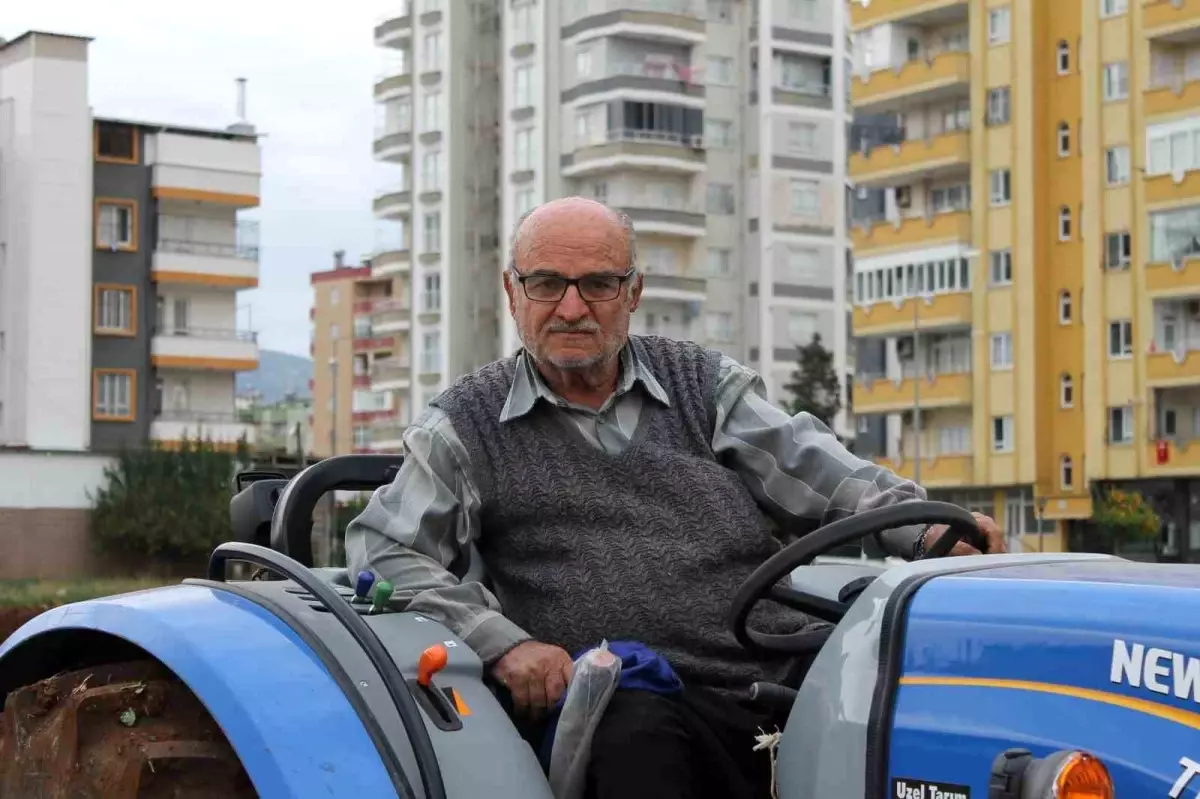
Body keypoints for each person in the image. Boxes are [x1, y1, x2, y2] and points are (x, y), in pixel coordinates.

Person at [345, 197, 1005, 799]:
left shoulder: (702, 385)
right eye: (546, 283)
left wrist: (924, 530)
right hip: (623, 705)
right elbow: (386, 548)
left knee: (932, 707)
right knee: (634, 728)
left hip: (776, 685)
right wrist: (502, 643)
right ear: (513, 293)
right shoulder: (467, 422)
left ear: (633, 292)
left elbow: (822, 472)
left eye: (599, 284)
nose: (571, 307)